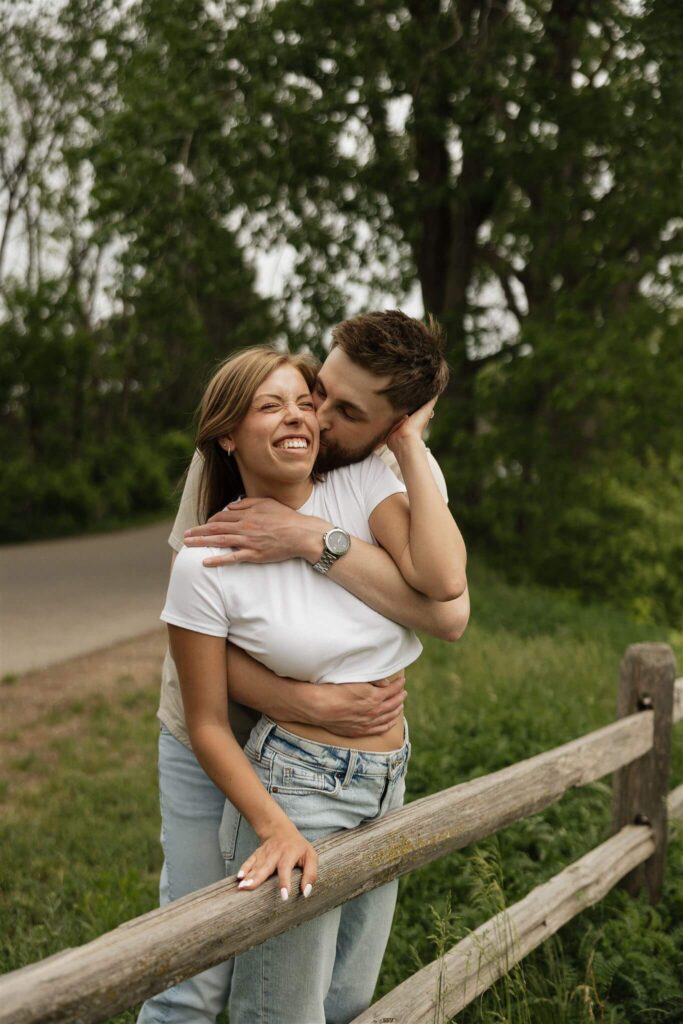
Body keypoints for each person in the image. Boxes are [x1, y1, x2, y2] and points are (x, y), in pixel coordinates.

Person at [138, 311, 470, 1024]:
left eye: (339, 410)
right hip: (224, 727)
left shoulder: (376, 469)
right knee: (198, 969)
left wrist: (310, 537)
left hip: (361, 764)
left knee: (340, 990)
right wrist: (301, 702)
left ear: (391, 426)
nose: (313, 414)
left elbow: (446, 610)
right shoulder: (225, 472)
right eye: (318, 387)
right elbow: (199, 638)